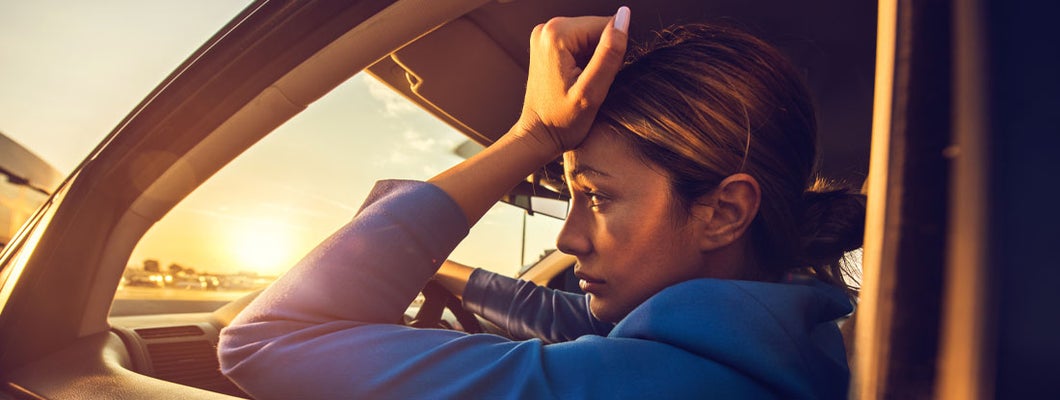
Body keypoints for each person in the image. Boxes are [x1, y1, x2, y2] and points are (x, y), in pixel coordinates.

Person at [219, 6, 865, 399]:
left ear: (723, 212)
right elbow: (570, 321)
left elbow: (266, 339)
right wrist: (448, 275)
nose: (568, 238)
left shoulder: (643, 384)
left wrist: (534, 136)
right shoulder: (784, 346)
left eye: (596, 197)